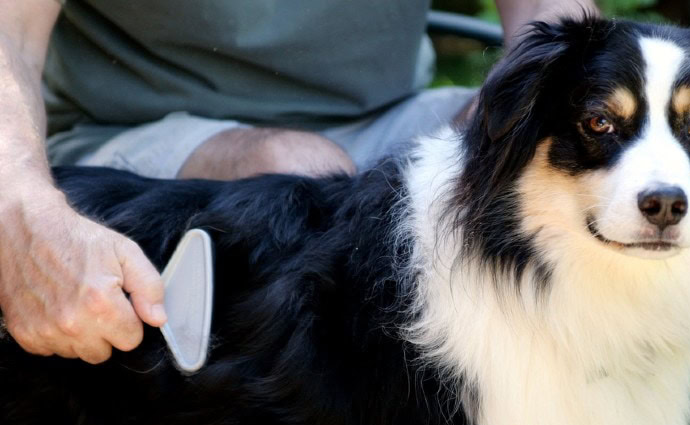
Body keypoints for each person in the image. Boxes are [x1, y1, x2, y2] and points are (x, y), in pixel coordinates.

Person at [0, 0, 596, 365]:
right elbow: (10, 34)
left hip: (389, 118)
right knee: (298, 171)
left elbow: (553, 14)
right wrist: (22, 212)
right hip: (134, 128)